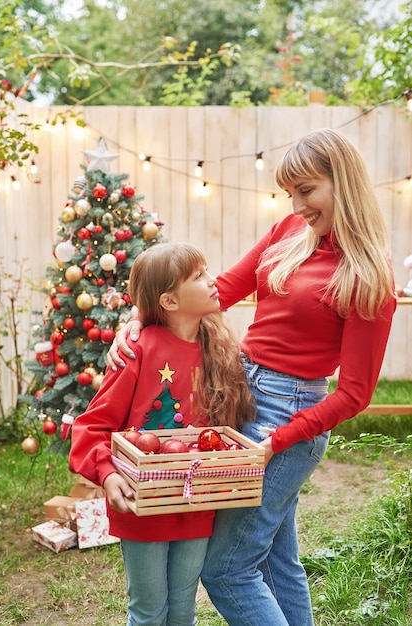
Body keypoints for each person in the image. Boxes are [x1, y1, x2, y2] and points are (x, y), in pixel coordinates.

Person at [106, 128, 397, 626]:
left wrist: (276, 441)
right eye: (291, 193)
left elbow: (355, 393)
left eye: (307, 191)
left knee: (228, 570)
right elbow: (219, 288)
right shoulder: (288, 232)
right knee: (278, 561)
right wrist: (139, 318)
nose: (297, 204)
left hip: (288, 418)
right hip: (241, 394)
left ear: (341, 183)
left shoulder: (368, 275)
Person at [69, 242, 254, 626]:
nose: (212, 280)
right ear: (169, 301)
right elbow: (92, 425)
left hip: (196, 505)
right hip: (144, 505)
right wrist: (108, 473)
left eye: (207, 270)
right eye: (198, 276)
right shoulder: (138, 349)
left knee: (184, 608)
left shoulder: (218, 351)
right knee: (149, 611)